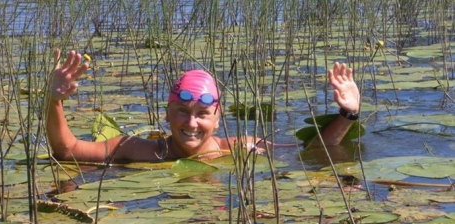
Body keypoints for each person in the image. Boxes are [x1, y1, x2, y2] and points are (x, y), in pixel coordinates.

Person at [46, 49, 360, 163]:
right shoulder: (137, 149)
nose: (191, 124)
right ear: (167, 114)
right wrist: (54, 102)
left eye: (202, 114)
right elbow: (68, 151)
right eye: (182, 111)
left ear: (217, 117)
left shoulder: (241, 148)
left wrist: (348, 114)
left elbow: (315, 152)